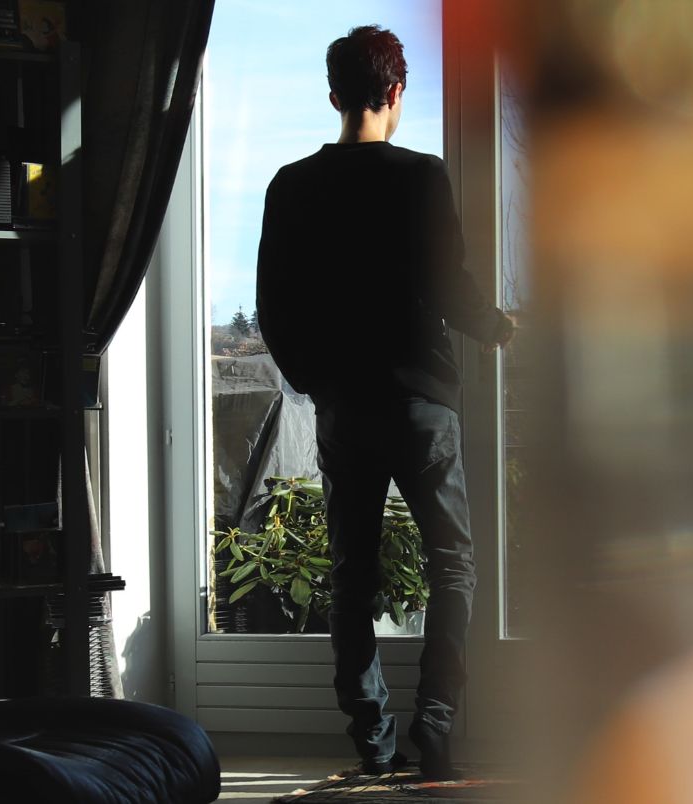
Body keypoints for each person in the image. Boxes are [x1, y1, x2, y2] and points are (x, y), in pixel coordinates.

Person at [255, 24, 515, 779]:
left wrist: (317, 382)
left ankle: (371, 743)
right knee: (453, 566)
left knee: (352, 573)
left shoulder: (290, 185)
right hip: (422, 404)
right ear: (395, 91)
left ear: (334, 95)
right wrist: (497, 328)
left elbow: (274, 310)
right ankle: (436, 730)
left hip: (345, 409)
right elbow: (450, 285)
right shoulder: (422, 177)